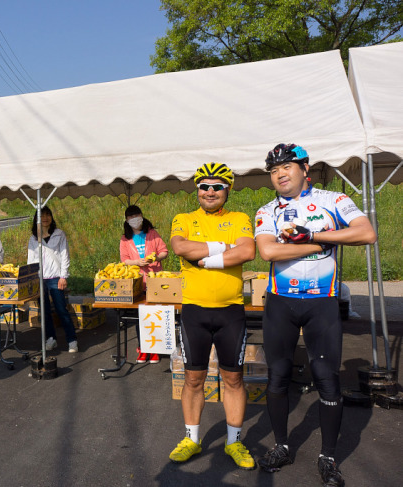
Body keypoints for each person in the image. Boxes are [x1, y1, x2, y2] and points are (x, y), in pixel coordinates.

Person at [254, 144, 376, 486]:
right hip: (281, 302)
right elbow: (268, 250)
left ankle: (328, 457)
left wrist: (314, 234)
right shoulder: (266, 210)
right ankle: (281, 446)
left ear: (304, 168)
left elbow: (366, 233)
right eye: (274, 169)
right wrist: (322, 243)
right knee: (277, 377)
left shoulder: (332, 200)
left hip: (322, 302)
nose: (280, 173)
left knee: (327, 377)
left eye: (287, 167)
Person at [168, 163, 257, 470]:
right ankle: (192, 439)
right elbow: (180, 247)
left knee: (233, 379)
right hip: (194, 311)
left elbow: (247, 252)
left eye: (217, 187)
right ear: (197, 190)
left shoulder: (240, 218)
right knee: (193, 379)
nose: (210, 192)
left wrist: (205, 257)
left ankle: (234, 442)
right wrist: (224, 249)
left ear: (227, 191)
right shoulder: (184, 219)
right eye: (204, 186)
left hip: (231, 311)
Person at [119, 205, 168, 364]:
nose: (134, 219)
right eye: (130, 217)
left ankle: (155, 349)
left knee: (156, 315)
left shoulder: (152, 233)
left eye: (137, 215)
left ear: (141, 215)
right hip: (137, 283)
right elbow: (124, 259)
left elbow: (164, 251)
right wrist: (136, 262)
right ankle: (143, 348)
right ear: (127, 220)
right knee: (141, 317)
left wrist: (155, 258)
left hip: (155, 281)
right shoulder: (125, 238)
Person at [27, 206, 77, 353]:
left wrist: (63, 276)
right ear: (36, 219)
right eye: (41, 215)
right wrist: (32, 279)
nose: (45, 218)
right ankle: (51, 339)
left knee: (61, 310)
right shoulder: (33, 238)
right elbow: (31, 260)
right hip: (40, 278)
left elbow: (64, 256)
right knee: (45, 311)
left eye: (48, 215)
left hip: (55, 277)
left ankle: (72, 340)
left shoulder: (59, 234)